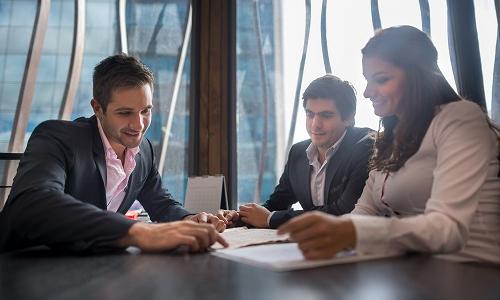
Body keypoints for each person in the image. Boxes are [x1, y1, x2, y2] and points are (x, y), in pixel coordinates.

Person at [278, 25, 500, 264]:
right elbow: (364, 213)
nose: (367, 92)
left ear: (419, 76)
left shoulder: (459, 119)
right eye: (367, 80)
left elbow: (447, 228)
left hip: (474, 270)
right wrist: (321, 232)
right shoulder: (388, 138)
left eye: (381, 80)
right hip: (415, 269)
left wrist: (352, 233)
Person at [0, 54, 227, 253]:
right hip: (23, 266)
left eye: (146, 111)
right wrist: (137, 232)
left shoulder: (144, 151)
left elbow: (161, 203)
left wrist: (188, 218)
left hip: (92, 269)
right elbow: (33, 204)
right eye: (125, 112)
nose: (138, 124)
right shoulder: (58, 138)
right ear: (97, 108)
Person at [222, 75, 374, 229]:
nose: (315, 125)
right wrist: (241, 217)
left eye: (326, 115)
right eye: (310, 114)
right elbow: (277, 203)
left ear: (349, 118)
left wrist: (271, 219)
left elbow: (343, 212)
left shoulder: (366, 146)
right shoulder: (298, 152)